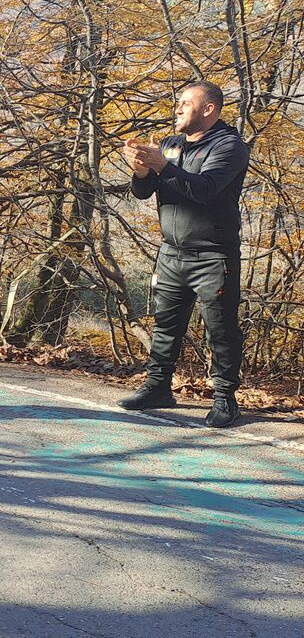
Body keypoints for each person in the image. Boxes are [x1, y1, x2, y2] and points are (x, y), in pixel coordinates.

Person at [121, 81, 249, 428]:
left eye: (185, 103)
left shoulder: (230, 146)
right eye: (177, 103)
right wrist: (142, 169)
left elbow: (205, 190)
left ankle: (225, 399)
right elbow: (142, 192)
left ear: (208, 109)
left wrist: (163, 166)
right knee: (166, 324)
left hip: (213, 256)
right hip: (171, 253)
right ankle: (158, 387)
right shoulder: (170, 145)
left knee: (220, 330)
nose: (177, 109)